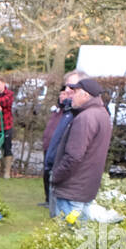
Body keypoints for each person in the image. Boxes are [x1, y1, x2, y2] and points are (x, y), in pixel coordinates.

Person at [48, 77, 112, 221]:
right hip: (83, 188)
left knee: (66, 234)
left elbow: (74, 156)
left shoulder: (86, 118)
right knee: (78, 236)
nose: (71, 97)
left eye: (75, 92)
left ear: (85, 95)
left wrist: (56, 176)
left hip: (72, 190)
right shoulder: (102, 114)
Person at [43, 70, 85, 216]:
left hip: (68, 180)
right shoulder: (68, 110)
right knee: (56, 221)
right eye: (66, 86)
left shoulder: (82, 115)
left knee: (66, 223)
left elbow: (75, 153)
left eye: (71, 87)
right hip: (56, 171)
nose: (67, 90)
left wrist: (59, 172)